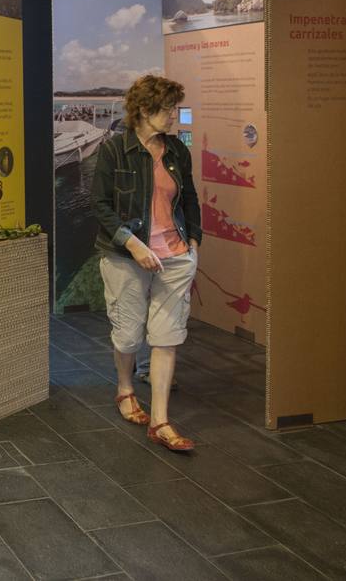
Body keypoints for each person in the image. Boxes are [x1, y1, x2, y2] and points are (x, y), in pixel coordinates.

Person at [91, 74, 200, 452]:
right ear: (144, 110)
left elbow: (190, 200)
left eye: (175, 108)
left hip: (175, 256)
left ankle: (161, 421)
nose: (174, 116)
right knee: (129, 334)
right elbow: (101, 206)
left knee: (167, 336)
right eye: (168, 109)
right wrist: (134, 244)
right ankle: (124, 390)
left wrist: (194, 242)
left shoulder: (176, 151)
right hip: (126, 256)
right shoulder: (113, 150)